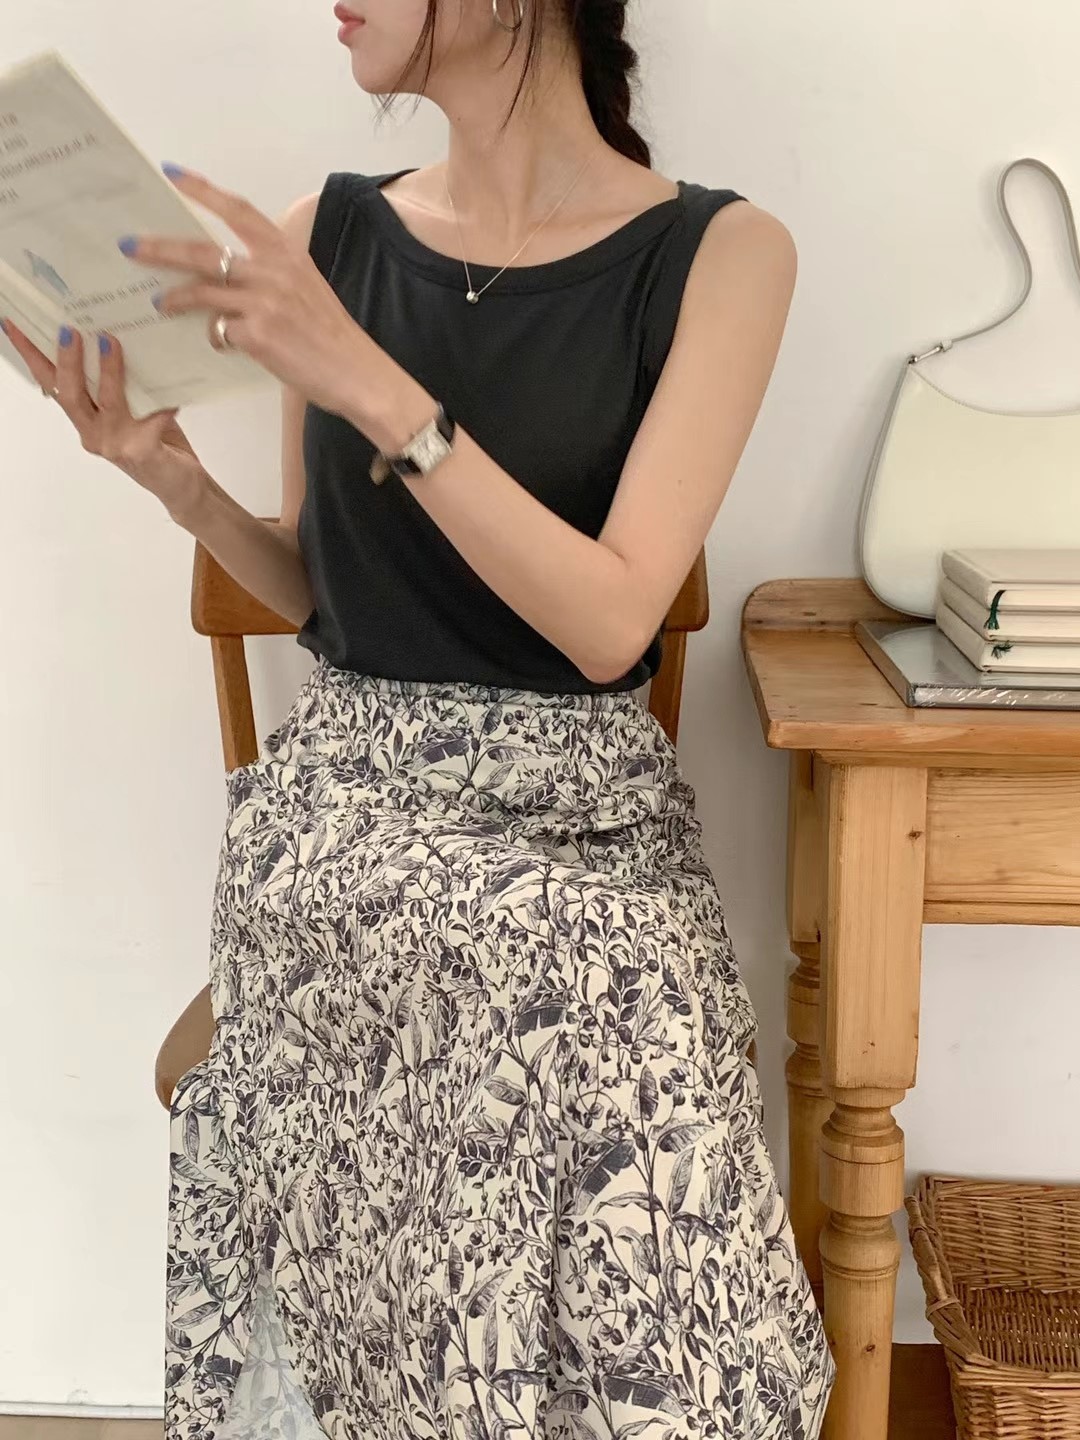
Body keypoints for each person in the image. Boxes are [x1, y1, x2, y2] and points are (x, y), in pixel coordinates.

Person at [5, 1, 834, 1435]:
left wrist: (376, 388)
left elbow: (612, 624)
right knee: (528, 971)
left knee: (617, 985)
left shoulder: (722, 254)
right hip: (350, 802)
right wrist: (173, 480)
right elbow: (324, 598)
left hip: (582, 812)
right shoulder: (326, 236)